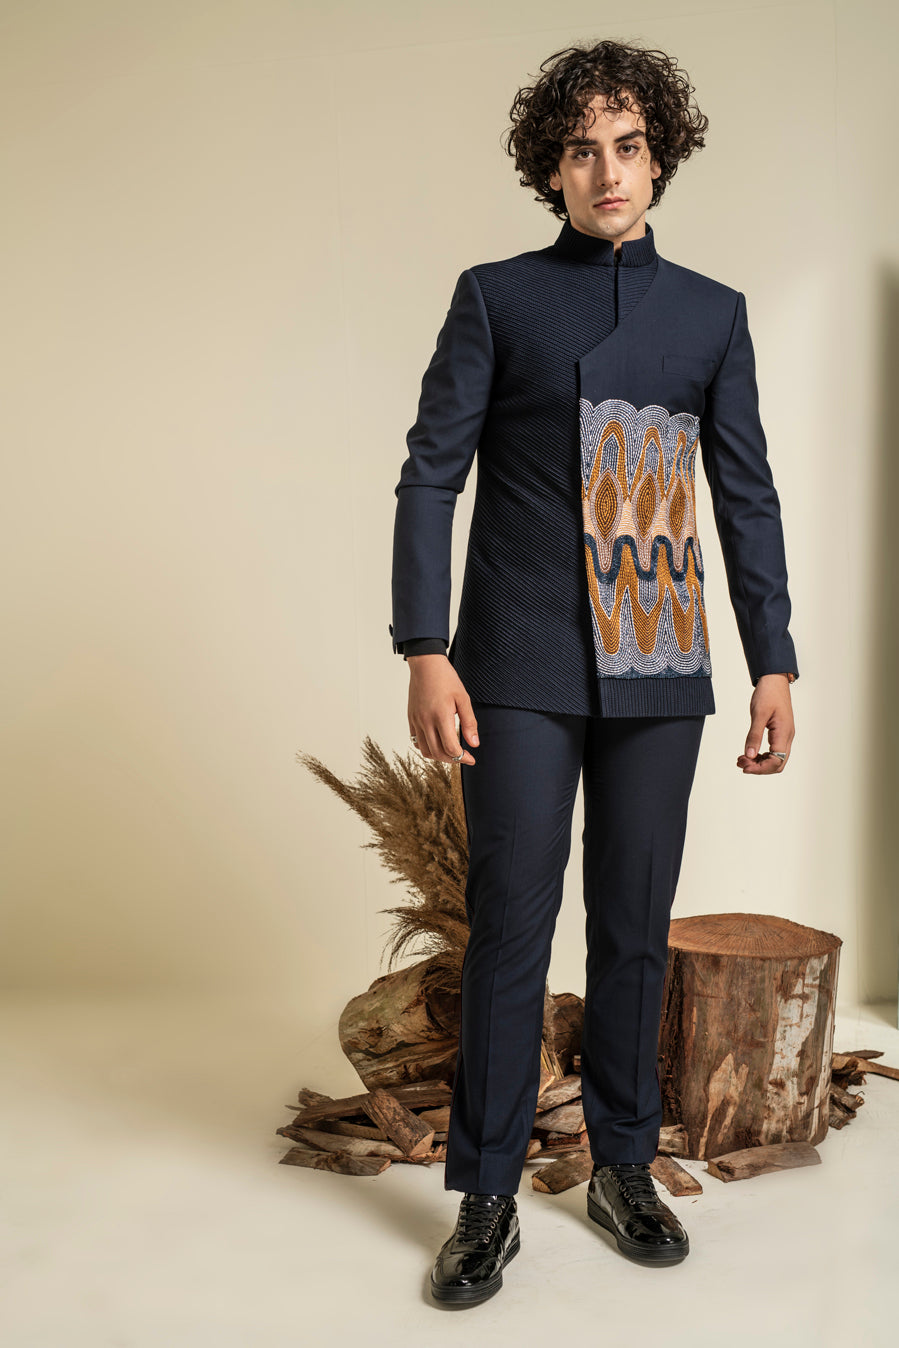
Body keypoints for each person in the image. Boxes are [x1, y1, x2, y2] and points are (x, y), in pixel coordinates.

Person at [388, 38, 799, 1306]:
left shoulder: (712, 314)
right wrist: (422, 646)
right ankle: (485, 1195)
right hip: (513, 661)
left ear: (657, 158)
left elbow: (745, 496)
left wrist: (773, 662)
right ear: (550, 170)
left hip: (661, 662)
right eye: (580, 150)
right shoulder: (496, 297)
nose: (605, 171)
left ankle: (622, 1164)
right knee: (510, 925)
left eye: (626, 146)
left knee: (632, 926)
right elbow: (429, 475)